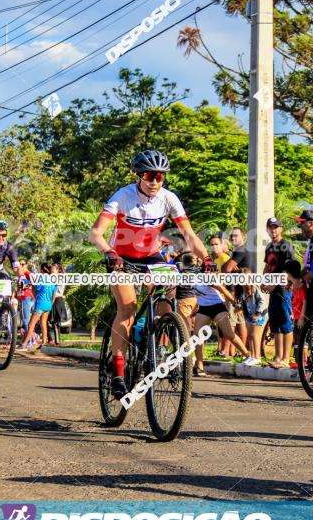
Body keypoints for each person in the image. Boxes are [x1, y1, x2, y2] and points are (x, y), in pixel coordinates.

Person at [89, 149, 213, 399]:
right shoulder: (123, 196)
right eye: (150, 175)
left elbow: (189, 234)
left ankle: (158, 344)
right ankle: (118, 372)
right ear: (139, 176)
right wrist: (108, 252)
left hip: (152, 257)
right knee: (127, 309)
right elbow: (96, 232)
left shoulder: (169, 198)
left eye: (160, 176)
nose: (155, 181)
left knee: (169, 301)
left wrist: (206, 258)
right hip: (121, 257)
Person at [193, 281, 257, 374]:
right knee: (197, 336)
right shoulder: (188, 277)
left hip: (217, 307)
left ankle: (249, 356)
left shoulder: (205, 277)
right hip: (203, 308)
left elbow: (222, 289)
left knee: (228, 334)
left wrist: (236, 304)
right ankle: (199, 365)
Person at [263, 216, 296, 368]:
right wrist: (264, 281)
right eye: (271, 227)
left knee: (285, 323)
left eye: (276, 227)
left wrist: (274, 284)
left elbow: (289, 269)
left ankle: (285, 358)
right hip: (273, 291)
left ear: (281, 229)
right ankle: (277, 357)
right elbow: (267, 266)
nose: (273, 230)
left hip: (284, 289)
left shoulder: (286, 246)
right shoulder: (269, 247)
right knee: (275, 323)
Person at [20, 263, 58, 349]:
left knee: (31, 325)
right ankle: (44, 343)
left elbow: (35, 288)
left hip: (40, 305)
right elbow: (54, 296)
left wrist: (32, 289)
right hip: (48, 306)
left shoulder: (41, 279)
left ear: (42, 270)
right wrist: (50, 305)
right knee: (43, 324)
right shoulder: (54, 281)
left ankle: (24, 344)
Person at [240, 268, 268, 362]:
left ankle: (257, 357)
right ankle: (252, 356)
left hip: (258, 315)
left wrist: (258, 313)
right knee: (250, 336)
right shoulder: (243, 291)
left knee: (254, 336)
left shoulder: (254, 287)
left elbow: (262, 300)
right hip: (249, 315)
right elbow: (244, 303)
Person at [15, 261, 35, 335]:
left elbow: (35, 284)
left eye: (23, 264)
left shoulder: (28, 274)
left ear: (26, 265)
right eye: (19, 264)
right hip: (21, 298)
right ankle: (27, 338)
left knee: (26, 320)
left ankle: (28, 340)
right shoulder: (19, 275)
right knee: (23, 320)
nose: (21, 266)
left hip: (26, 297)